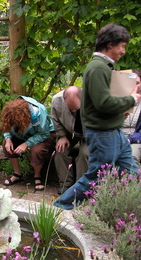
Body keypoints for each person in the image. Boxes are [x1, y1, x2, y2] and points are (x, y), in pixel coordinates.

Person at [53, 23, 141, 210]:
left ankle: (134, 209)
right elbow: (103, 103)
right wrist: (131, 99)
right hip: (103, 134)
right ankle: (59, 207)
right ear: (110, 44)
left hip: (113, 132)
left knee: (132, 171)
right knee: (96, 177)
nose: (123, 51)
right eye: (122, 46)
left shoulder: (104, 67)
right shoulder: (98, 68)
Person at [0, 96, 56, 191]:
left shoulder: (38, 113)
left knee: (36, 150)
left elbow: (44, 134)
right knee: (6, 144)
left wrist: (26, 144)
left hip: (43, 134)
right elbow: (6, 126)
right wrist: (8, 138)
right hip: (23, 134)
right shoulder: (10, 113)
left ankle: (37, 176)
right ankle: (17, 174)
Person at [51, 86, 88, 194]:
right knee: (60, 151)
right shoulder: (57, 100)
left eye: (75, 109)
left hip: (89, 134)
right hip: (68, 132)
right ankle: (65, 185)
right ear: (64, 98)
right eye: (70, 108)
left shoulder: (92, 99)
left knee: (84, 153)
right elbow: (55, 119)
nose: (73, 111)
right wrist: (62, 136)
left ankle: (80, 186)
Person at [124, 70, 141, 164]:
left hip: (137, 140)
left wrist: (130, 139)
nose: (134, 86)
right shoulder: (119, 100)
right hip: (119, 137)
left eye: (137, 83)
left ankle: (132, 179)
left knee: (131, 155)